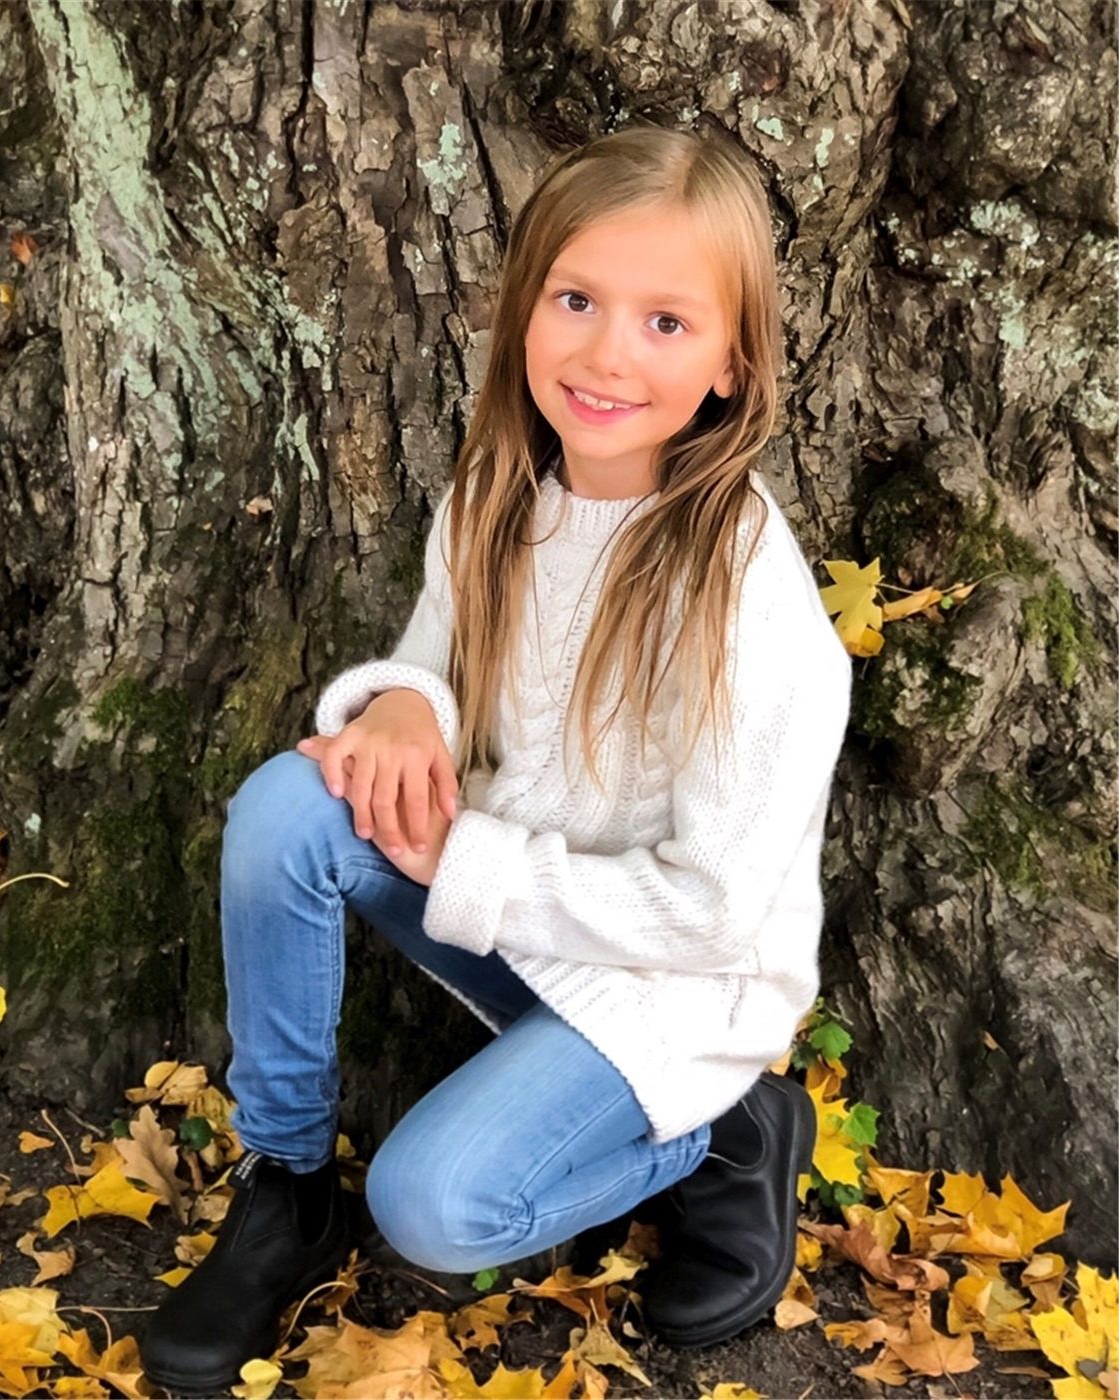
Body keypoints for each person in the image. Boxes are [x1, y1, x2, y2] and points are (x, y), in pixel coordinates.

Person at [141, 125, 852, 1394]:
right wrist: (402, 706)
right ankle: (285, 1182)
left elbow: (713, 910)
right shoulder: (495, 493)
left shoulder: (746, 593)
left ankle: (721, 1128)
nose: (607, 353)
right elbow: (434, 674)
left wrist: (468, 860)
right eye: (576, 300)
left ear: (734, 364)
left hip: (675, 990)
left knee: (437, 1207)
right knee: (288, 809)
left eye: (667, 322)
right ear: (522, 305)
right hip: (516, 913)